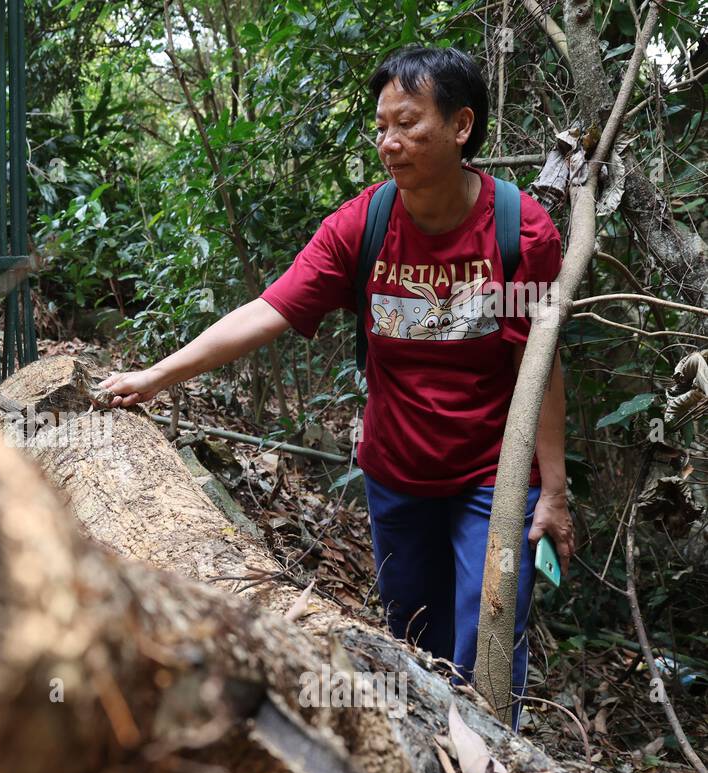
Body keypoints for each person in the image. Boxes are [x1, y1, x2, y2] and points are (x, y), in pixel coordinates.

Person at [93, 46, 575, 731]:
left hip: (493, 477)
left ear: (462, 126)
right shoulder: (363, 226)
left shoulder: (521, 230)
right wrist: (156, 376)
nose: (389, 142)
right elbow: (269, 311)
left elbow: (544, 363)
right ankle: (428, 772)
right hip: (397, 474)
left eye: (408, 124)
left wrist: (551, 490)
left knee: (488, 637)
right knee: (413, 637)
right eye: (380, 127)